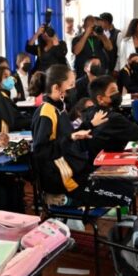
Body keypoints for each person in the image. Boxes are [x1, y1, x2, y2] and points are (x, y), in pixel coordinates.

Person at [31, 64, 96, 206]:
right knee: (117, 192)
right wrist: (71, 138)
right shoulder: (47, 112)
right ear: (56, 88)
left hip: (73, 168)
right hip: (62, 176)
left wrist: (88, 127)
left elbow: (68, 136)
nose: (74, 88)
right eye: (71, 84)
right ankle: (59, 200)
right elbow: (41, 151)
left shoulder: (59, 108)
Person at [83, 75, 138, 158]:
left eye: (117, 90)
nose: (117, 93)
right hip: (108, 162)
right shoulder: (113, 118)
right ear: (100, 98)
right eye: (113, 91)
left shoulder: (89, 113)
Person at [0, 65, 31, 134]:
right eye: (6, 77)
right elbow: (14, 122)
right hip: (3, 135)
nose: (10, 79)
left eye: (10, 76)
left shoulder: (1, 95)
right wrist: (34, 120)